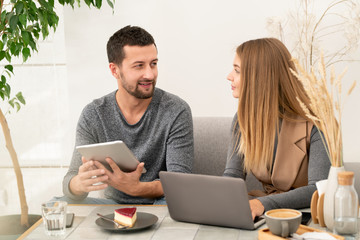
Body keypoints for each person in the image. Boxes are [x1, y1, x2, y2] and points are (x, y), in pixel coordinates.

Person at [61, 25, 194, 205]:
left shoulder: (176, 110)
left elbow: (181, 183)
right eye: (139, 66)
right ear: (115, 70)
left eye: (153, 64)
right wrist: (78, 184)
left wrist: (136, 188)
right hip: (112, 206)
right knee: (56, 204)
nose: (150, 74)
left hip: (160, 203)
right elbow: (71, 181)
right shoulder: (94, 114)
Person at [223, 38, 331, 219]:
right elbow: (233, 175)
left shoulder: (315, 122)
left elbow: (317, 190)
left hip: (308, 216)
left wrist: (263, 204)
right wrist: (216, 198)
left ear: (259, 78)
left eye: (237, 70)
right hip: (266, 214)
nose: (229, 76)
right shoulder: (243, 119)